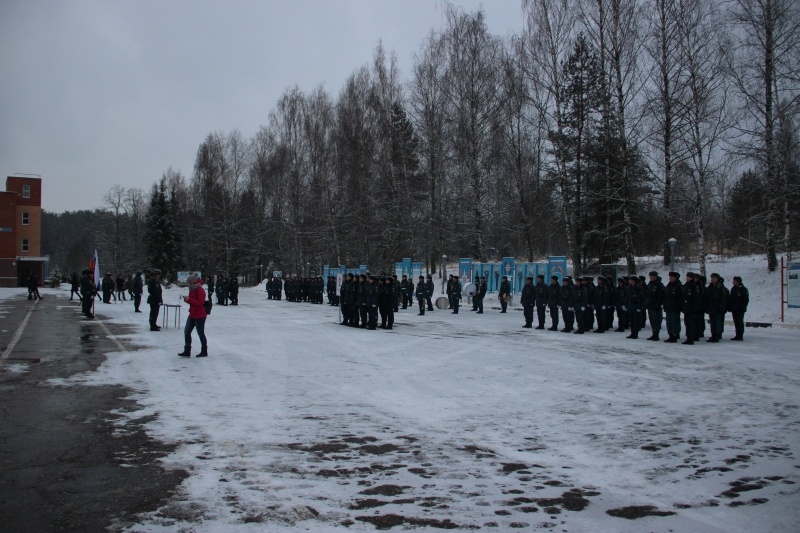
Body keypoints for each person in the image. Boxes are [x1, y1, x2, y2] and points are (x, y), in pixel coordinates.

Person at [178, 273, 208, 357]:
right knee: (187, 332)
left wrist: (189, 299)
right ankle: (187, 350)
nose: (188, 284)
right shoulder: (192, 289)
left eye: (189, 282)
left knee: (200, 333)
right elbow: (193, 301)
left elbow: (200, 303)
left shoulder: (200, 290)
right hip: (192, 314)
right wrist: (187, 299)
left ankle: (204, 351)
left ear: (193, 282)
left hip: (200, 315)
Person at [705, 273, 727, 343]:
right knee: (712, 322)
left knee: (717, 322)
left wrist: (721, 308)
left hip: (718, 308)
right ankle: (713, 335)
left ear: (717, 279)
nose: (712, 279)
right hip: (711, 308)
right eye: (711, 278)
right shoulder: (710, 287)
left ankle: (717, 335)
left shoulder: (720, 288)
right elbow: (707, 298)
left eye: (714, 278)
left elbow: (723, 299)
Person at [662, 272, 682, 343]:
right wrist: (665, 305)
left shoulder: (678, 286)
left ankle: (675, 335)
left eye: (672, 277)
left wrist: (678, 307)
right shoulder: (669, 286)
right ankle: (671, 335)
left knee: (674, 322)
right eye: (670, 277)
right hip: (668, 307)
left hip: (675, 308)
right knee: (669, 323)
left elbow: (680, 298)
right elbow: (665, 296)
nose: (670, 278)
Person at [645, 271, 665, 341]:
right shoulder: (650, 284)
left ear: (655, 276)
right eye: (650, 276)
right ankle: (654, 333)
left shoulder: (659, 285)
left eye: (652, 276)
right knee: (652, 320)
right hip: (650, 305)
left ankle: (656, 334)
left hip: (656, 306)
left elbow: (661, 296)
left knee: (656, 320)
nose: (650, 277)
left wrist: (658, 304)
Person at [729, 276, 749, 341]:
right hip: (734, 309)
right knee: (736, 322)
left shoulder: (743, 289)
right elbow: (731, 299)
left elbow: (745, 300)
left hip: (740, 309)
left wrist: (743, 307)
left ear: (738, 281)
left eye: (734, 280)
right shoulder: (733, 289)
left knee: (740, 322)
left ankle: (740, 335)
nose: (733, 282)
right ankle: (737, 335)